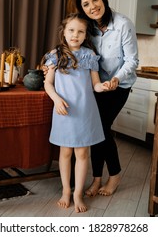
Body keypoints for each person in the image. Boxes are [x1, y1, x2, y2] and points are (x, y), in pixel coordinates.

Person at [75, 0, 139, 197]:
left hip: (120, 85)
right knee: (96, 130)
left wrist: (116, 79)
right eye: (86, 4)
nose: (92, 6)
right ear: (82, 9)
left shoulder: (123, 24)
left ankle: (114, 176)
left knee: (101, 128)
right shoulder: (87, 27)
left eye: (95, 0)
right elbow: (71, 42)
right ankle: (96, 179)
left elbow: (132, 61)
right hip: (97, 85)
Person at [41, 13, 108, 213]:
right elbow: (48, 83)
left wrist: (103, 87)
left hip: (85, 111)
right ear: (64, 32)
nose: (75, 35)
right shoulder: (55, 54)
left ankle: (78, 193)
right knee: (65, 152)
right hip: (64, 111)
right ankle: (66, 191)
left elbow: (95, 84)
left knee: (82, 153)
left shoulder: (89, 55)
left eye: (80, 31)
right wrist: (56, 99)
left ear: (86, 34)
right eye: (71, 30)